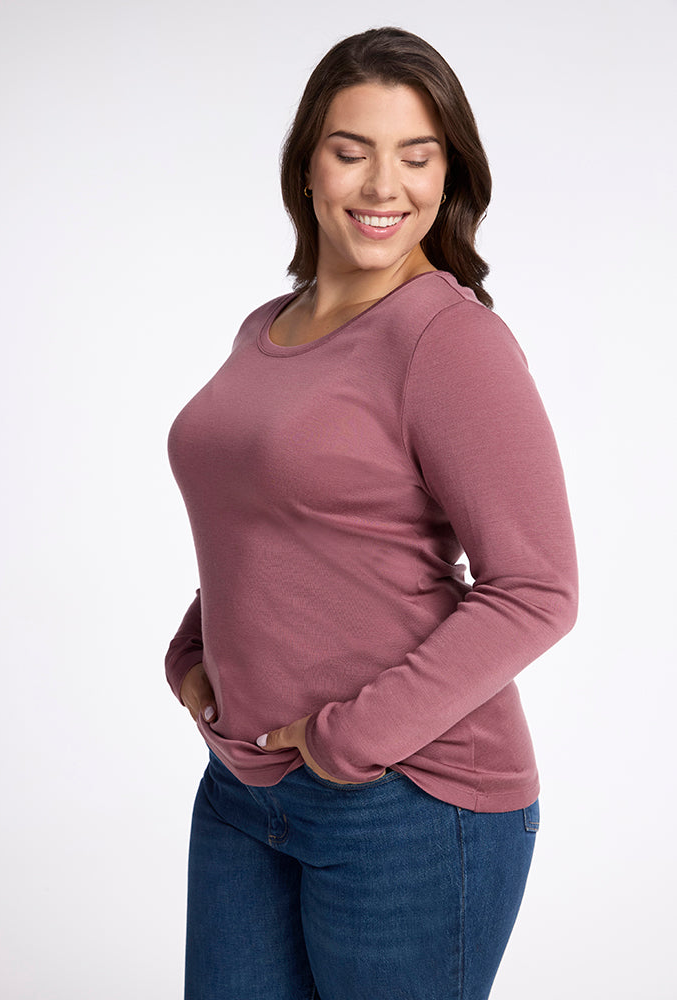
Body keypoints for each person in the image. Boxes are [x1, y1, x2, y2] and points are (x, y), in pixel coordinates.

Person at [165, 26, 578, 1000]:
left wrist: (352, 736)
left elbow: (538, 589)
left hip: (412, 803)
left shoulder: (449, 340)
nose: (382, 185)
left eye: (416, 155)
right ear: (307, 164)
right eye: (352, 150)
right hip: (243, 791)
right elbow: (265, 522)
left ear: (450, 174)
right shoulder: (268, 325)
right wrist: (192, 655)